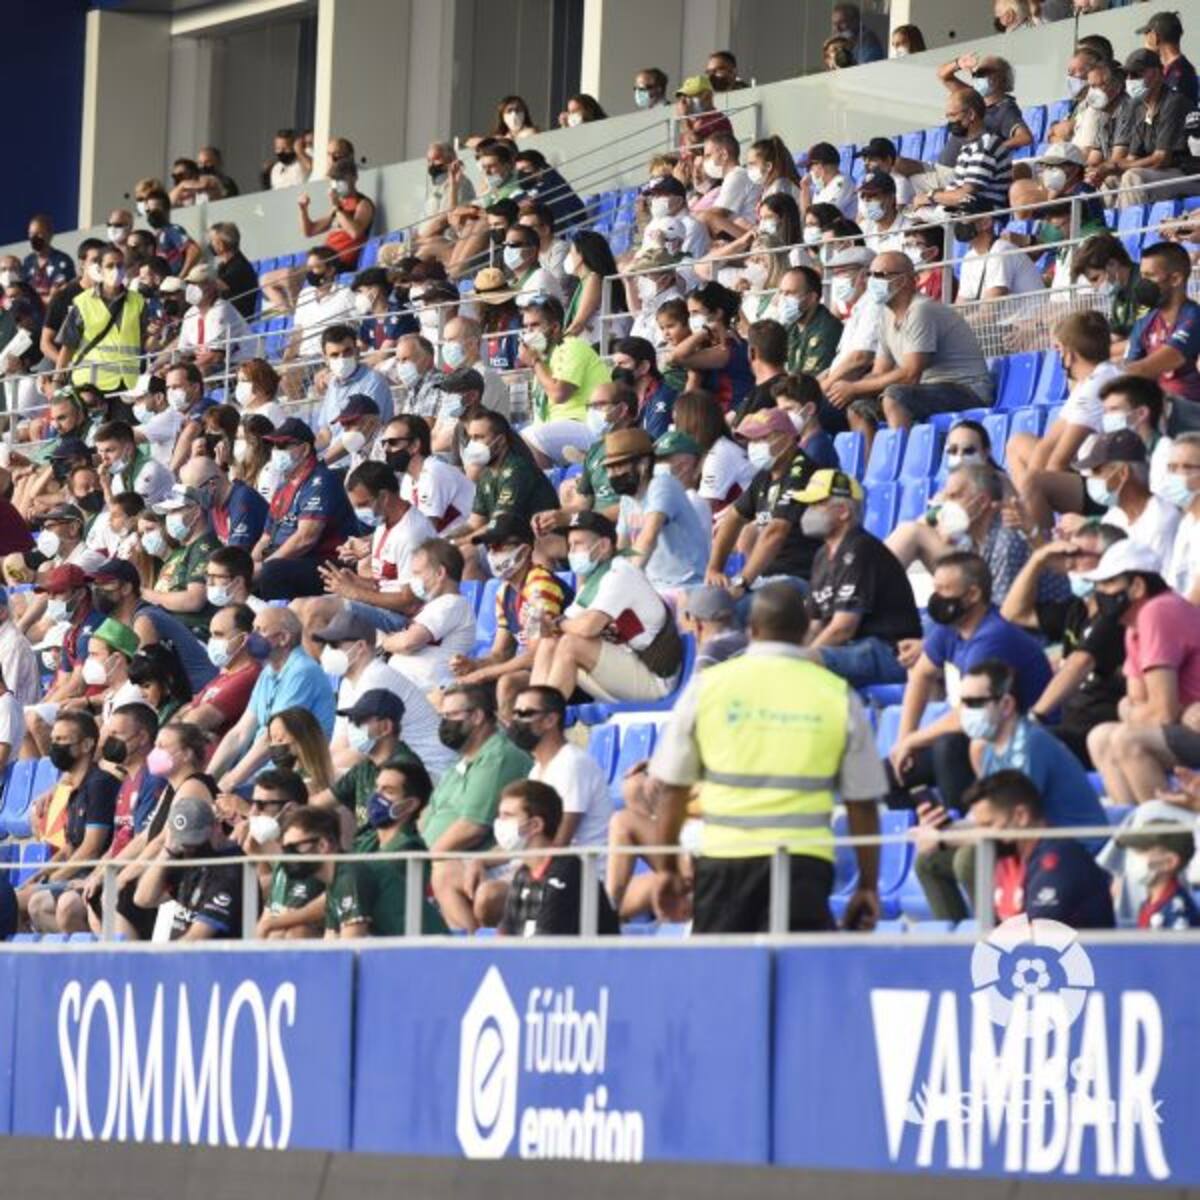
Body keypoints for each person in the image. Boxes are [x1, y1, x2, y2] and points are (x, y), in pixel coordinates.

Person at [649, 581, 883, 933]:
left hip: (724, 860)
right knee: (797, 966)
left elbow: (672, 789)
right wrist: (867, 885)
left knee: (723, 966)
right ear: (805, 632)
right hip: (804, 864)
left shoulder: (708, 686)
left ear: (752, 630)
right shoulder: (837, 694)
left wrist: (667, 869)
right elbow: (862, 803)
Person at [891, 552, 1052, 811]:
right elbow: (921, 675)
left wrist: (913, 741)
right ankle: (929, 824)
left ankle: (967, 824)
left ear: (973, 594)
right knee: (890, 774)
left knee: (949, 747)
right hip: (986, 732)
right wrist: (904, 740)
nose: (936, 598)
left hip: (1023, 736)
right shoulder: (950, 628)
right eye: (935, 589)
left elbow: (970, 713)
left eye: (944, 590)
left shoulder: (993, 637)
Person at [999, 520, 1127, 766]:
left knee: (1020, 743)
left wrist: (1035, 716)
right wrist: (1038, 559)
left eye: (1079, 555)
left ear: (1111, 560)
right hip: (1070, 729)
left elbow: (1080, 662)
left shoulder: (1117, 616)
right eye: (1068, 555)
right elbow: (1012, 613)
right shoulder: (1076, 610)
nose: (1069, 563)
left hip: (1101, 735)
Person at [1085, 540, 1200, 805]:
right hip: (1188, 722)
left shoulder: (1158, 610)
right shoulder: (1132, 626)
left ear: (1137, 586)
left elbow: (1160, 712)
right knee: (1099, 737)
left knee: (1128, 740)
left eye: (1109, 583)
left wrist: (1141, 711)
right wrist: (1175, 712)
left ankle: (1164, 827)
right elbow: (1132, 704)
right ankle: (1131, 822)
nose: (1100, 593)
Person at [831, 252, 993, 434]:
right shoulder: (886, 315)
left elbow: (910, 374)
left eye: (879, 275)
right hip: (926, 390)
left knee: (895, 396)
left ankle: (901, 451)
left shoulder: (920, 310)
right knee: (859, 407)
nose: (872, 281)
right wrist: (845, 391)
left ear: (903, 280)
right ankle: (871, 454)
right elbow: (879, 372)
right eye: (870, 275)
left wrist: (854, 387)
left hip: (966, 390)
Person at [531, 512, 684, 704]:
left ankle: (544, 713)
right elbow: (566, 626)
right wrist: (545, 626)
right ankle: (533, 708)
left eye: (578, 544)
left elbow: (587, 627)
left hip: (654, 678)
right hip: (626, 667)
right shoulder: (594, 580)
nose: (572, 553)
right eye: (570, 546)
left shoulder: (620, 574)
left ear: (603, 545)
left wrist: (558, 623)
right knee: (550, 643)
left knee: (571, 644)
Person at [792, 469, 922, 687]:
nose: (808, 512)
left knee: (800, 664)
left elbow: (843, 628)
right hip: (852, 648)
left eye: (817, 504)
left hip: (888, 651)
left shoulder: (861, 549)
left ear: (843, 511)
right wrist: (791, 654)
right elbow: (815, 626)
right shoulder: (822, 555)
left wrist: (803, 659)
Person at [421, 684, 532, 931]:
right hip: (441, 860)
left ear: (477, 716)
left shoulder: (499, 756)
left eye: (452, 715)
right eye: (442, 716)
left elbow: (472, 827)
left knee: (442, 871)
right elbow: (429, 816)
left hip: (487, 863)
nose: (444, 723)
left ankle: (474, 944)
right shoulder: (460, 763)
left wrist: (418, 861)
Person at [308, 764, 447, 939]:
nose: (376, 796)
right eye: (376, 788)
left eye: (388, 791)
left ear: (410, 804)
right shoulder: (367, 843)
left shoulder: (408, 848)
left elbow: (350, 891)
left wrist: (280, 921)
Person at [964, 770, 1114, 928]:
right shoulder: (1004, 857)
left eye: (988, 825)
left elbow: (1039, 934)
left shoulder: (1061, 860)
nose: (982, 836)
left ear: (1021, 816)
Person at [310, 610, 452, 777]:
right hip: (398, 767)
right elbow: (339, 743)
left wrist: (321, 774)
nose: (327, 651)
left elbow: (364, 750)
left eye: (335, 646)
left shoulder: (376, 679)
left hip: (429, 771)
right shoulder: (348, 683)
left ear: (360, 647)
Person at [453, 514, 568, 719]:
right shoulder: (504, 592)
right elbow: (500, 653)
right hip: (532, 669)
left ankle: (512, 739)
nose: (492, 554)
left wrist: (484, 673)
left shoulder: (540, 586)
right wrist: (474, 665)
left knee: (508, 683)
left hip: (560, 670)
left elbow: (537, 654)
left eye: (499, 546)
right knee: (456, 691)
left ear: (525, 549)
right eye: (490, 547)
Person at [209, 606, 336, 792]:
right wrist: (207, 780)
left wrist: (229, 783)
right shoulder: (268, 671)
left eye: (260, 630)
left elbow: (272, 739)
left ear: (283, 638)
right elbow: (240, 733)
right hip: (263, 773)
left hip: (294, 777)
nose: (251, 636)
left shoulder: (302, 671)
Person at [706, 408, 821, 600]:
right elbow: (733, 518)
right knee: (702, 601)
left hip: (798, 578)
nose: (754, 446)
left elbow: (776, 532)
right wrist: (714, 569)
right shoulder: (765, 475)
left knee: (733, 608)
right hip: (767, 578)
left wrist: (742, 583)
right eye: (751, 440)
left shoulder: (801, 473)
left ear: (786, 438)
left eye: (761, 438)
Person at [19, 712, 118, 931]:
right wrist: (39, 876)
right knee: (17, 898)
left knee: (16, 903)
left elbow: (91, 849)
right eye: (53, 739)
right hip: (75, 874)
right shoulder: (73, 788)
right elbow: (70, 847)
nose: (55, 746)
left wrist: (52, 880)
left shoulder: (99, 785)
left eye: (62, 739)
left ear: (87, 745)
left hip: (93, 875)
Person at [495, 780, 619, 938]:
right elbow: (505, 936)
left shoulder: (568, 871)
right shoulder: (523, 874)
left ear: (535, 825)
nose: (499, 823)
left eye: (507, 816)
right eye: (499, 816)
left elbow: (547, 944)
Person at [253, 418, 356, 599]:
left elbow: (305, 539)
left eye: (283, 445)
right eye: (274, 446)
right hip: (285, 559)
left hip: (325, 562)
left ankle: (279, 615)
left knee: (272, 572)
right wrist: (247, 567)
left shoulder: (322, 481)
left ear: (306, 449)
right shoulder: (283, 487)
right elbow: (266, 537)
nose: (276, 451)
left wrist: (264, 566)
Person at [607, 428, 709, 591]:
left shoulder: (663, 484)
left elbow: (649, 536)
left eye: (618, 467)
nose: (612, 474)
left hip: (685, 584)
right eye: (609, 469)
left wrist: (625, 582)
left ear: (643, 464)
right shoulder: (628, 498)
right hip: (652, 587)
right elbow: (622, 548)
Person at [1090, 50, 1195, 207]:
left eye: (1136, 74)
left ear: (1158, 74)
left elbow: (1161, 159)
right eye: (1127, 75)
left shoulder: (1173, 103)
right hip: (1161, 174)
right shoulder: (1138, 107)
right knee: (1110, 181)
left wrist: (1115, 165)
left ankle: (1128, 223)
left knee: (1133, 177)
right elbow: (1132, 158)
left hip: (1188, 175)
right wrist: (1104, 171)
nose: (1130, 80)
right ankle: (1109, 222)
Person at [133, 795, 245, 941]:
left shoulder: (231, 867)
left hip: (222, 953)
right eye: (185, 843)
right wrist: (168, 851)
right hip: (190, 952)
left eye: (196, 841)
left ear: (216, 826)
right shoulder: (186, 856)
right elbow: (143, 899)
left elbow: (196, 938)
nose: (191, 849)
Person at [519, 295, 611, 468]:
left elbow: (559, 394)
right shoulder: (545, 359)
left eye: (535, 325)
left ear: (554, 328)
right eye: (526, 327)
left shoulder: (571, 346)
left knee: (527, 438)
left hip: (589, 425)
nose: (528, 333)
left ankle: (546, 483)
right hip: (561, 428)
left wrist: (535, 362)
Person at [1121, 242, 1200, 432]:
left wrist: (1103, 376)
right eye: (1142, 276)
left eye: (1150, 276)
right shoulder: (1144, 323)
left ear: (1175, 279)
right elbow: (1131, 370)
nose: (1142, 284)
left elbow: (1150, 365)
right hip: (1160, 414)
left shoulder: (1194, 317)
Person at [379, 539, 476, 691]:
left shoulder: (451, 603)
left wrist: (384, 642)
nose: (413, 580)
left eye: (417, 573)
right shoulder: (437, 605)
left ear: (440, 573)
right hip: (404, 687)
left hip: (423, 691)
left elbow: (408, 643)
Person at [1074, 430, 1179, 570]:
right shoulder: (1114, 517)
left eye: (1097, 471)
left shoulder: (1162, 519)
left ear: (1123, 473)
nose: (1091, 479)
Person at [55, 245, 147, 397]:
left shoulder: (138, 301)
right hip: (89, 385)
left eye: (120, 265)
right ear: (100, 270)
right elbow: (68, 344)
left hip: (127, 383)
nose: (116, 270)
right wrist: (57, 380)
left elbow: (144, 341)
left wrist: (156, 333)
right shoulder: (83, 302)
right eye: (110, 266)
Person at [175, 603, 261, 737]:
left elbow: (193, 723)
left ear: (243, 639)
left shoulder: (248, 677)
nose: (212, 641)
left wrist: (185, 717)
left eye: (219, 635)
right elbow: (182, 712)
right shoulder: (225, 675)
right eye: (211, 635)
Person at [1119, 822, 1200, 930]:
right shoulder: (1150, 903)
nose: (1132, 857)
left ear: (1170, 862)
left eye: (1141, 851)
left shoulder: (1178, 914)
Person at [1140, 9, 1197, 105]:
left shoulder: (1177, 72)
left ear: (1154, 37)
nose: (1145, 42)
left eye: (1147, 35)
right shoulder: (1178, 68)